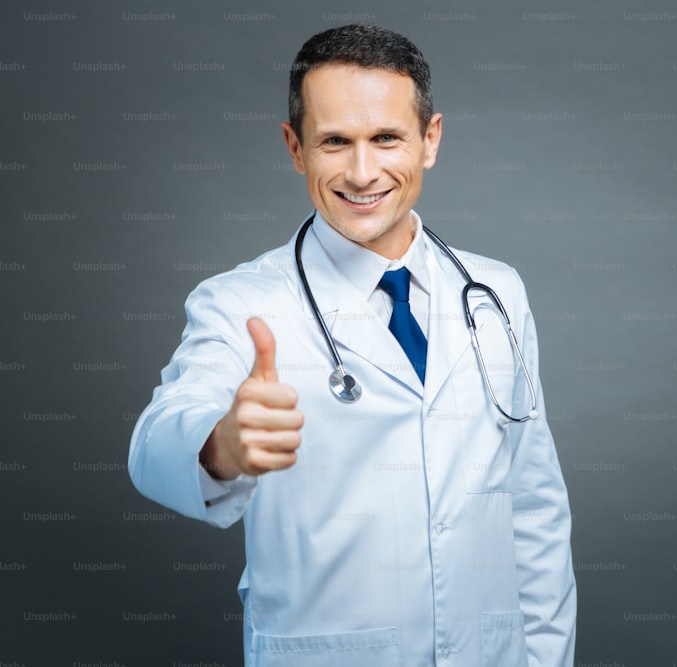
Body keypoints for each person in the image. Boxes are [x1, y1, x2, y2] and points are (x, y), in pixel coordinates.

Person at [128, 24, 576, 667]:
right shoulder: (241, 302)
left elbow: (534, 504)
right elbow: (152, 444)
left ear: (430, 140)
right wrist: (221, 444)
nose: (363, 173)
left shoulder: (496, 290)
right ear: (295, 148)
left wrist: (544, 659)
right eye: (335, 141)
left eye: (386, 138)